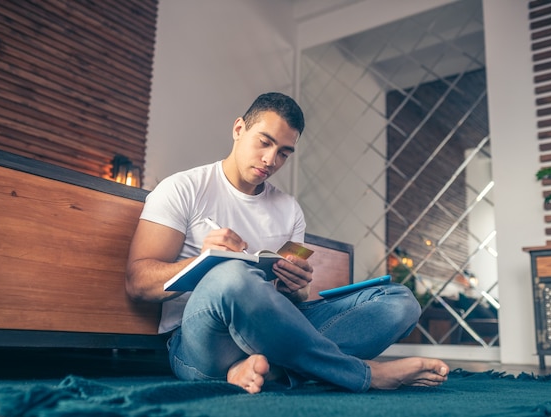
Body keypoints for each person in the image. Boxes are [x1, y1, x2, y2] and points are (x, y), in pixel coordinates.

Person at [126, 92, 449, 394]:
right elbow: (138, 283)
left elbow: (294, 300)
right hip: (200, 340)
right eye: (264, 143)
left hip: (272, 335)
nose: (271, 160)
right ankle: (363, 374)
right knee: (234, 276)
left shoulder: (289, 209)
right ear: (239, 129)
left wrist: (295, 287)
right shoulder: (182, 188)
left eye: (284, 152)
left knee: (399, 301)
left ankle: (268, 371)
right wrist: (205, 261)